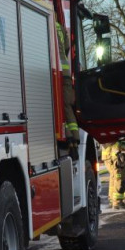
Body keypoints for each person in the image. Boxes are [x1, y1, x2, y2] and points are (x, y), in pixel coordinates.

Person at [55, 20, 79, 155]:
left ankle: (69, 137)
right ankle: (74, 137)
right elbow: (67, 47)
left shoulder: (47, 22)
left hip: (56, 71)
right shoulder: (60, 27)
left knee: (61, 106)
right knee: (67, 106)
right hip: (66, 72)